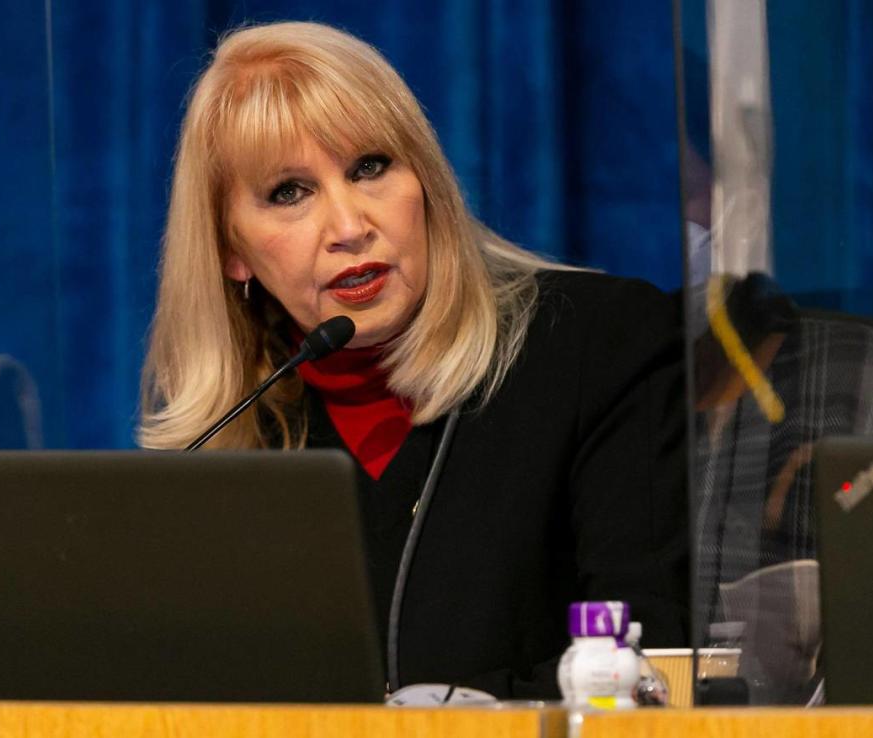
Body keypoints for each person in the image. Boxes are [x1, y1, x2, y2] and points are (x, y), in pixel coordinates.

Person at [140, 21, 688, 698]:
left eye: (370, 167)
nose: (348, 227)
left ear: (425, 181)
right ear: (233, 254)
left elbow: (657, 663)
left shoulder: (597, 344)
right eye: (289, 193)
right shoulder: (234, 434)